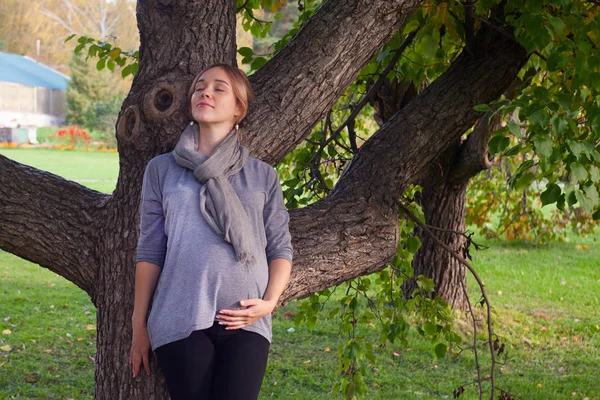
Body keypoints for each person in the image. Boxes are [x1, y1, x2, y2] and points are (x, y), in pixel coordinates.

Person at [129, 63, 293, 400]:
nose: (205, 92)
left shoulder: (263, 176)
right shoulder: (162, 170)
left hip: (246, 319)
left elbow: (280, 248)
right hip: (179, 315)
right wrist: (138, 324)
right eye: (199, 87)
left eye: (219, 88)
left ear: (238, 109)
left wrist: (270, 303)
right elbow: (150, 249)